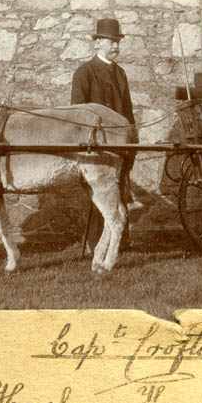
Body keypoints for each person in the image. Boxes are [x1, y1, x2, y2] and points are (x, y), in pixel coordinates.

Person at [71, 18, 139, 252]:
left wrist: (133, 137)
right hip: (96, 145)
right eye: (111, 42)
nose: (116, 46)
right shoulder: (85, 72)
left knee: (119, 189)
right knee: (100, 192)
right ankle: (95, 244)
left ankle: (120, 243)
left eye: (117, 42)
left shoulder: (120, 74)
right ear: (97, 43)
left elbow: (127, 110)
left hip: (120, 143)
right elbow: (77, 112)